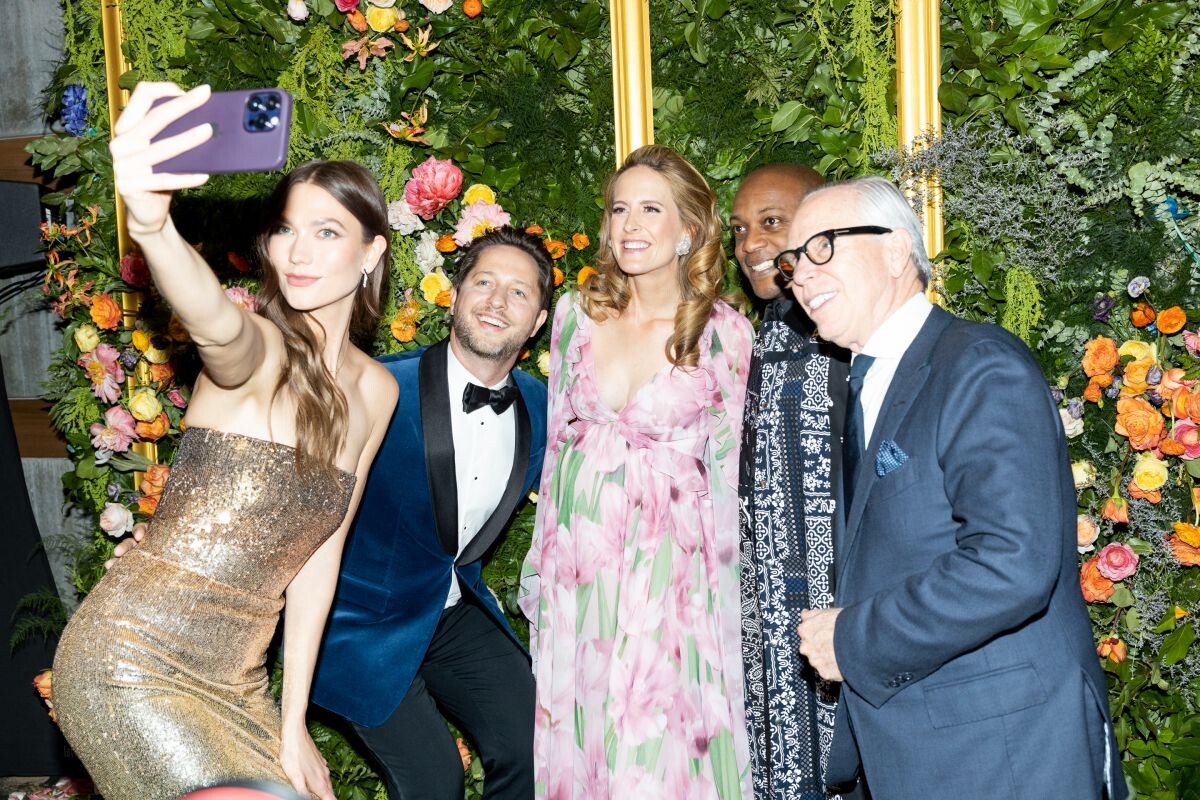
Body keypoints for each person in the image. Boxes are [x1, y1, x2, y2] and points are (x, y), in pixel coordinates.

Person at [52, 82, 398, 800]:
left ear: (372, 253)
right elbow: (214, 322)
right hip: (133, 659)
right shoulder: (260, 348)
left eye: (326, 232)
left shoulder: (377, 391)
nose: (297, 252)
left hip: (239, 685)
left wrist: (293, 722)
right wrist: (152, 227)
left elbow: (318, 560)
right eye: (285, 230)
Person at [787, 176, 1125, 799]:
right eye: (792, 261)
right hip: (926, 750)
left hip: (1003, 751)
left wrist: (853, 638)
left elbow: (1011, 563)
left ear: (896, 251)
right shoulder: (870, 382)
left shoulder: (977, 364)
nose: (801, 275)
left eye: (823, 247)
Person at [519, 144, 754, 798]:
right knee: (589, 742)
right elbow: (557, 450)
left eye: (651, 209)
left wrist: (730, 610)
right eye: (619, 209)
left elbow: (735, 474)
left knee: (658, 755)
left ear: (690, 229)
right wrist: (543, 570)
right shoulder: (575, 316)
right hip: (581, 574)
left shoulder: (724, 332)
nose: (629, 224)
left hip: (672, 580)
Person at [309, 225, 551, 799]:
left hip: (449, 608)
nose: (498, 302)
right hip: (357, 621)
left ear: (538, 322)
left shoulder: (544, 406)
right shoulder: (377, 387)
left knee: (534, 743)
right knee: (436, 780)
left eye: (519, 292)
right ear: (455, 295)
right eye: (484, 283)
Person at [730, 164, 852, 800]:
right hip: (766, 618)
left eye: (771, 222)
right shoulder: (748, 337)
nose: (751, 242)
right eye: (739, 229)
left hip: (840, 612)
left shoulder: (850, 334)